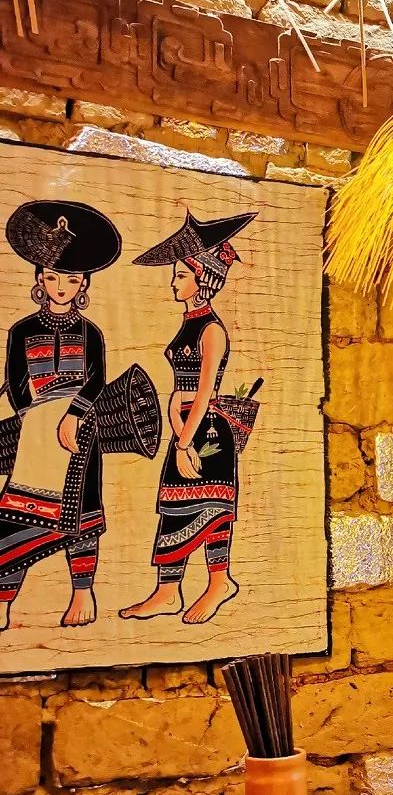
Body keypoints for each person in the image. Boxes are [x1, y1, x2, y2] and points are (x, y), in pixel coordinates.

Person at [120, 209, 256, 625]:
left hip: (208, 429)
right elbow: (179, 390)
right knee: (174, 505)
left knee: (210, 504)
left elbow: (205, 392)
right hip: (186, 425)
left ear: (203, 280)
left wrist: (184, 443)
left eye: (181, 275)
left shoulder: (212, 330)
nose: (173, 282)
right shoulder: (188, 324)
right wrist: (176, 428)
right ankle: (168, 591)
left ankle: (219, 582)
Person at [0, 200, 121, 631]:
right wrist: (33, 418)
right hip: (35, 431)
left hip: (80, 430)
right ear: (39, 278)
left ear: (83, 282)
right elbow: (16, 382)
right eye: (52, 277)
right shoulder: (22, 330)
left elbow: (96, 379)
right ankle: (4, 599)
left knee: (81, 511)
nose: (62, 287)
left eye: (71, 279)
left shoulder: (90, 332)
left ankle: (83, 592)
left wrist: (71, 414)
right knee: (14, 512)